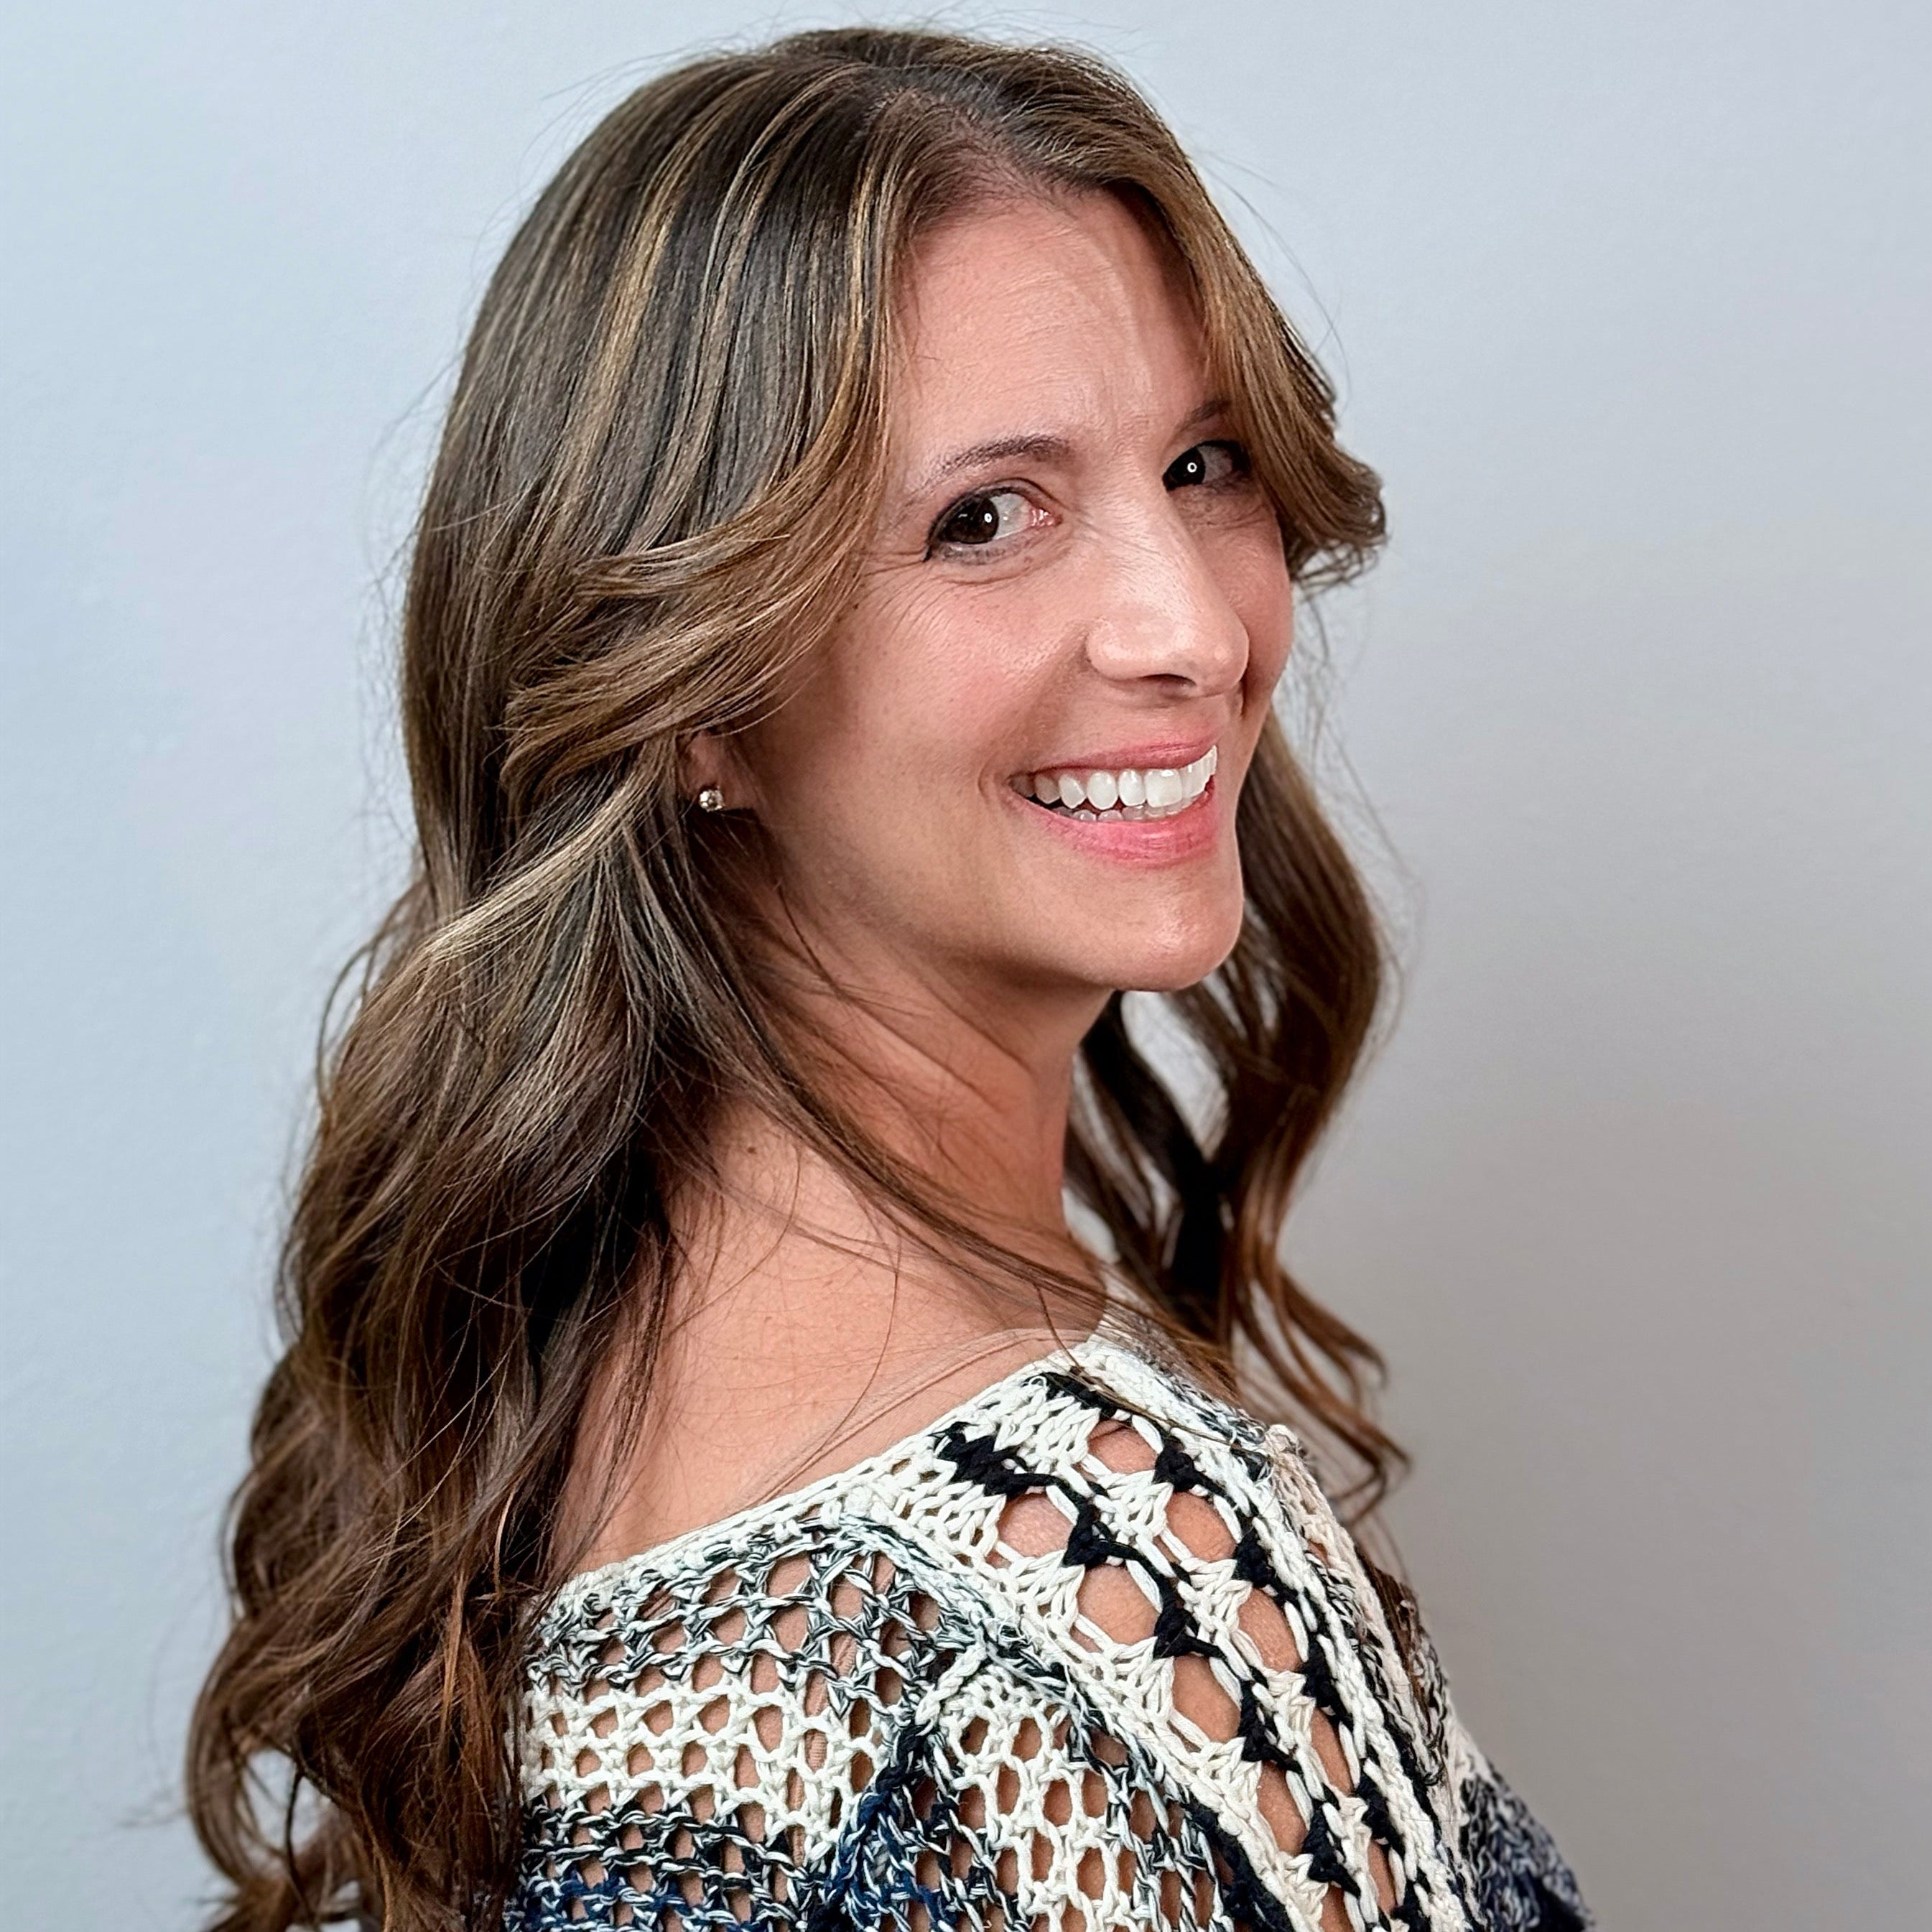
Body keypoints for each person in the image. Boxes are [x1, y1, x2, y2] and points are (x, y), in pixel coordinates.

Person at [187, 27, 1589, 1932]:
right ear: (695, 698)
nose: (1190, 624)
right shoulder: (1091, 1566)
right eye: (984, 517)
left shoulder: (551, 1406)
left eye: (1202, 461)